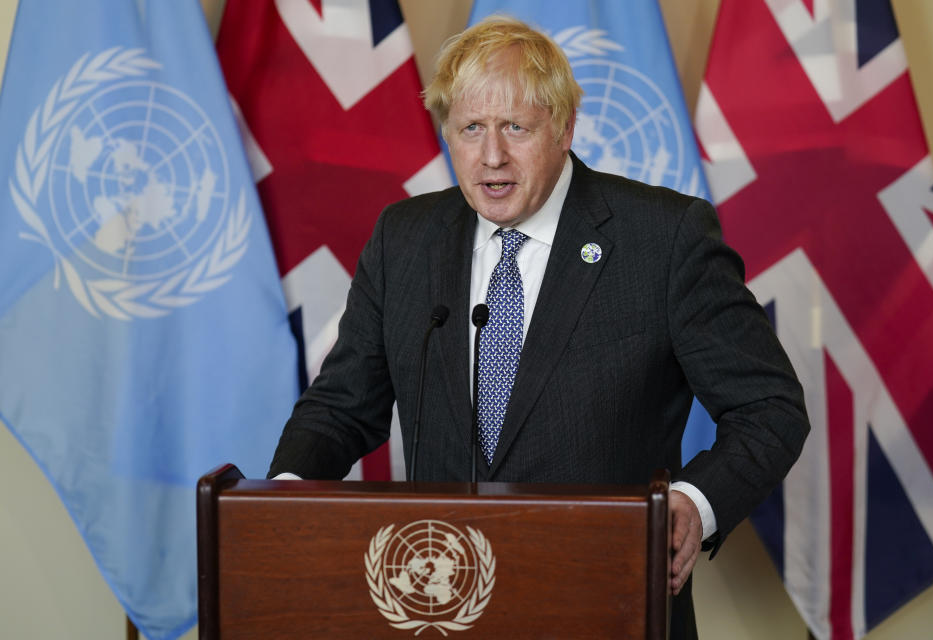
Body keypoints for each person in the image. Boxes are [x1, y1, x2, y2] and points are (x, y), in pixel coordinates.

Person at [269, 15, 809, 638]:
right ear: (447, 132)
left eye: (515, 128)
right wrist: (282, 500)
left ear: (564, 128)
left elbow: (770, 407)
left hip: (607, 602)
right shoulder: (404, 239)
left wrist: (693, 504)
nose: (491, 155)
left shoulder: (664, 239)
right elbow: (341, 408)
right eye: (471, 128)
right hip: (441, 605)